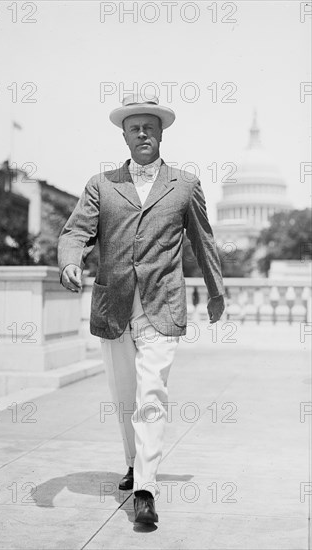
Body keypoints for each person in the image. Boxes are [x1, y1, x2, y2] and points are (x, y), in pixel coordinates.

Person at [57, 93, 225, 524]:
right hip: (114, 304)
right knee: (124, 396)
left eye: (149, 127)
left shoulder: (184, 184)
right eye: (135, 128)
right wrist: (71, 261)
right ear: (125, 135)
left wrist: (216, 290)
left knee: (153, 392)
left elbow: (203, 241)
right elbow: (76, 231)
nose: (143, 133)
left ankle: (146, 490)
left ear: (161, 132)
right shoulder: (102, 184)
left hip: (162, 304)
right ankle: (134, 463)